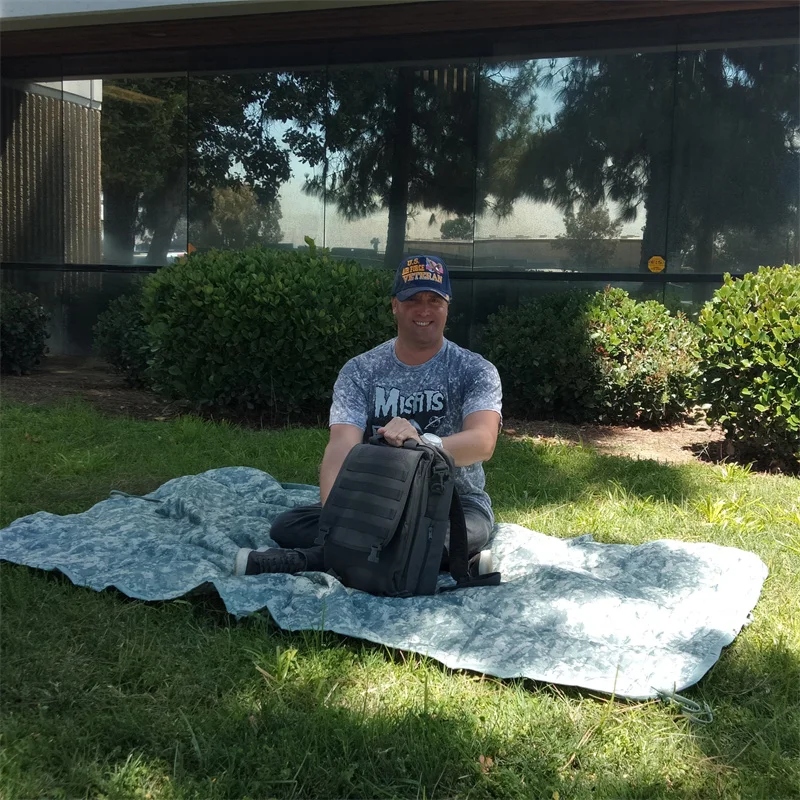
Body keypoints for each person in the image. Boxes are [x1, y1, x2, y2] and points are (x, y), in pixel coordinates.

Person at [234, 254, 503, 577]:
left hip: (452, 503)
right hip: (372, 501)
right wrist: (333, 515)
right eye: (412, 300)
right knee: (287, 525)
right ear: (394, 306)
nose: (424, 310)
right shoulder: (360, 370)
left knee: (466, 533)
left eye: (434, 300)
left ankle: (313, 559)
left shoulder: (475, 370)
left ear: (447, 307)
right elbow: (340, 446)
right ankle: (440, 561)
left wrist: (423, 443)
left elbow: (482, 442)